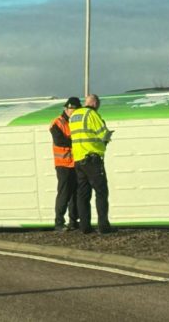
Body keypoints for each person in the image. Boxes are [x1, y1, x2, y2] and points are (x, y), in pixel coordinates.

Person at [69, 94, 116, 234]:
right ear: (95, 103)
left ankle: (85, 227)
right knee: (101, 192)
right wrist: (107, 137)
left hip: (78, 159)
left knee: (83, 194)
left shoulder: (74, 116)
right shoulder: (92, 114)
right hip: (92, 159)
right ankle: (103, 226)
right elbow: (103, 134)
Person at [50, 97, 81, 231]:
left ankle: (73, 222)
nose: (73, 112)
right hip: (63, 164)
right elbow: (59, 140)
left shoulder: (77, 122)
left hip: (76, 163)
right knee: (64, 193)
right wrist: (76, 142)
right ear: (66, 109)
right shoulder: (57, 123)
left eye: (75, 109)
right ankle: (59, 223)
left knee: (75, 194)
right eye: (71, 109)